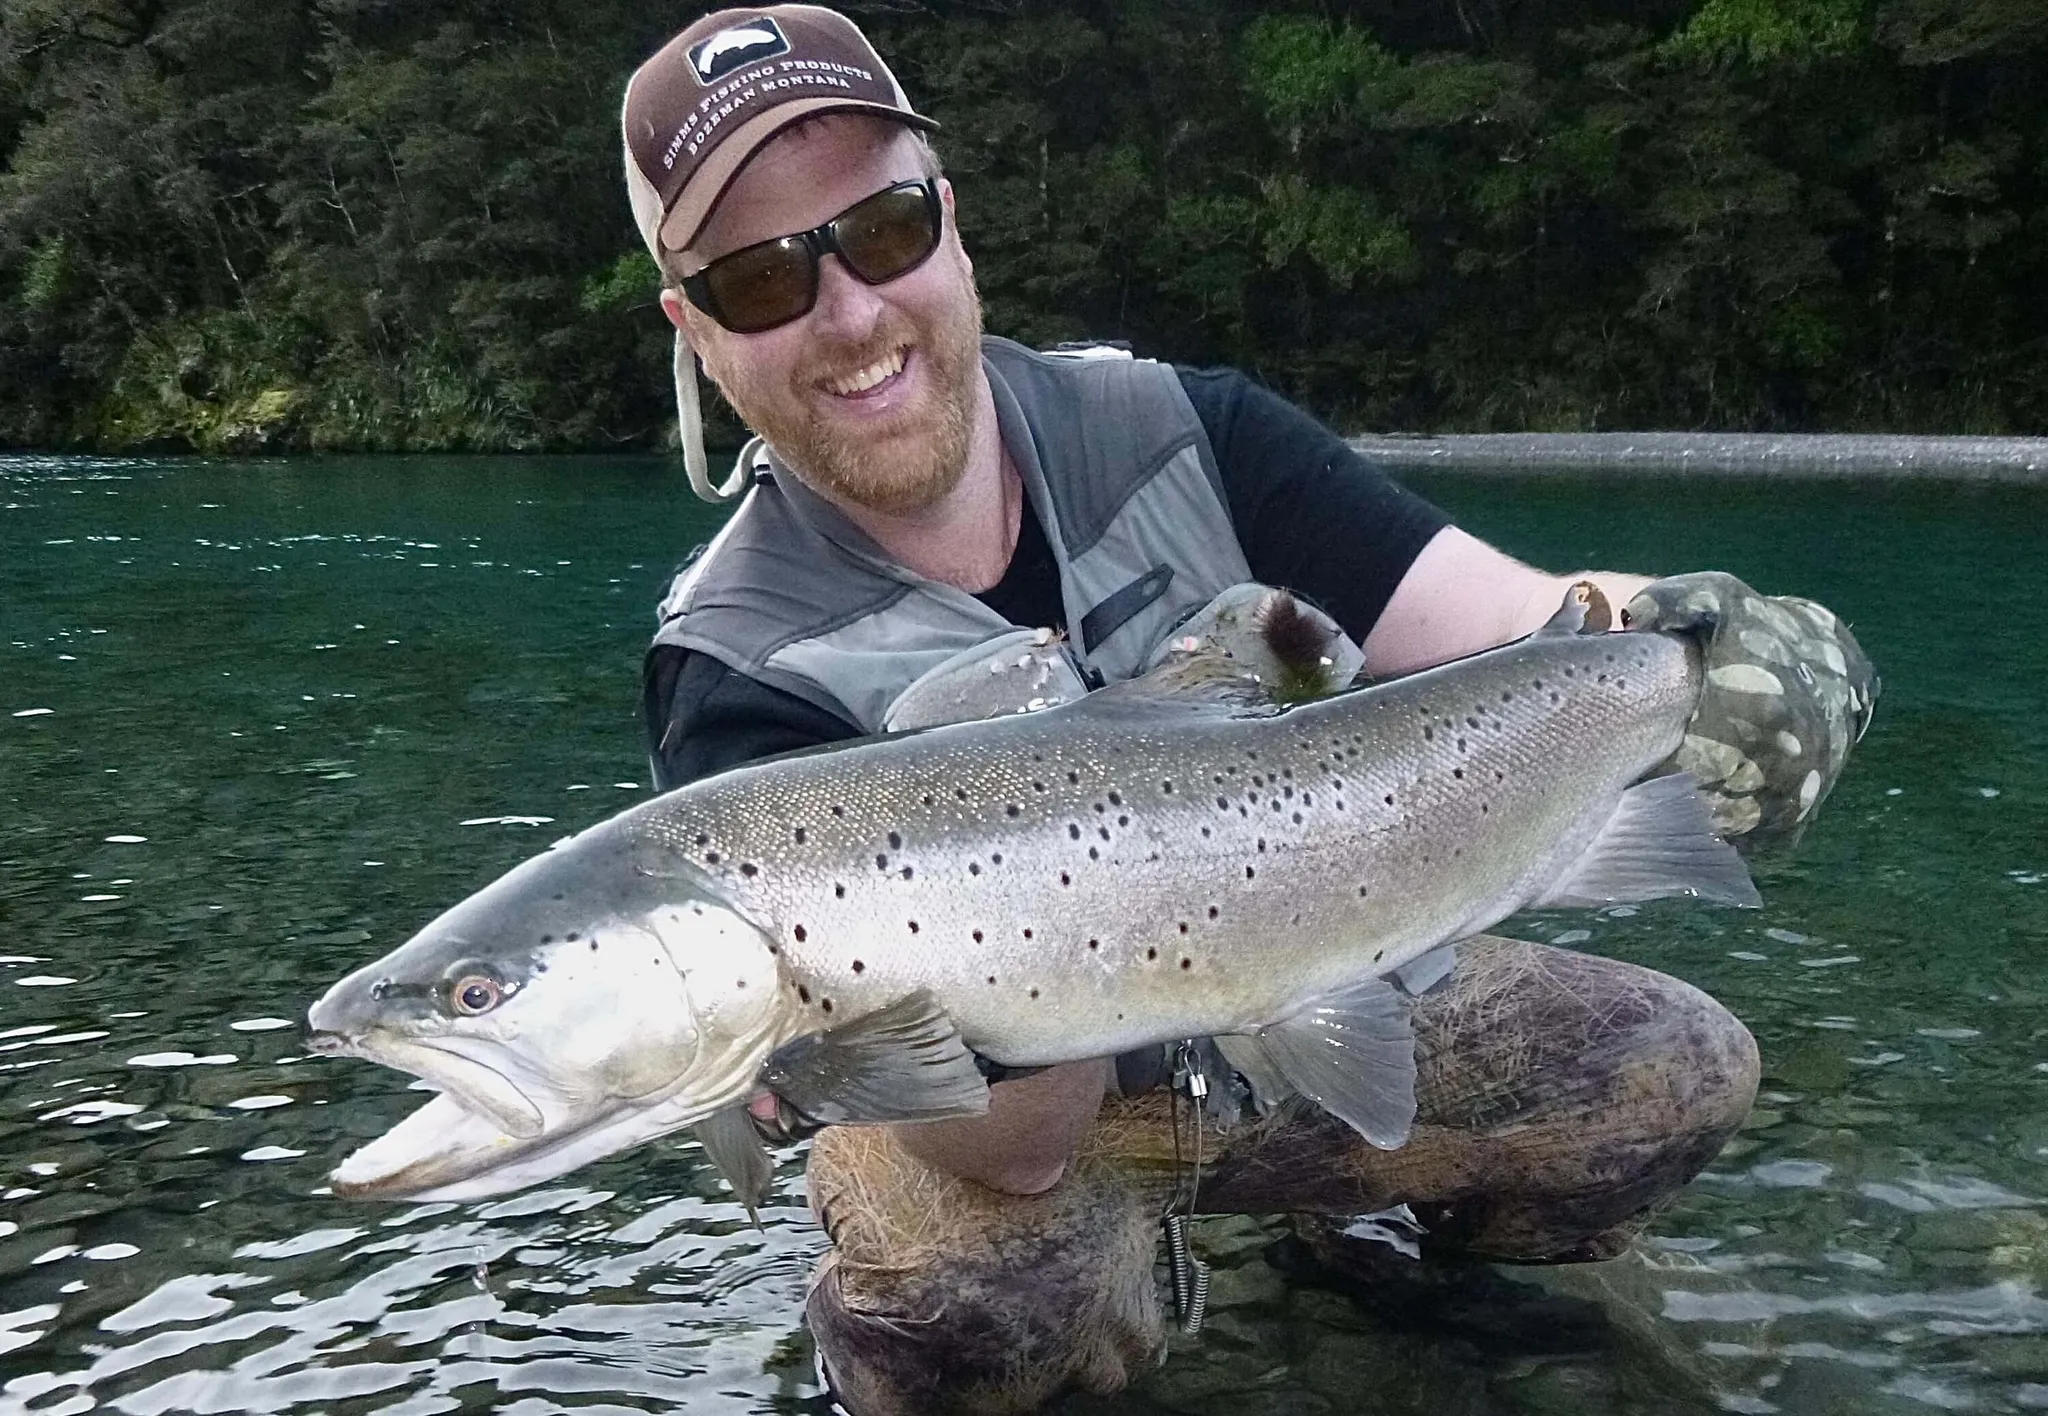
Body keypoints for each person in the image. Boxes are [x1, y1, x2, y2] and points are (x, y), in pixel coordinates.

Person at [620, 8, 1876, 1411]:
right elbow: (1018, 1149)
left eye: (885, 231)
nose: (850, 311)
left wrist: (1710, 644)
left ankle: (1396, 1298)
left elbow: (1528, 621)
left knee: (1669, 1073)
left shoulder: (1182, 427)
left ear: (953, 228)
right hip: (1023, 1122)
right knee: (965, 1320)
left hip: (1322, 985)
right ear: (697, 332)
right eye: (761, 280)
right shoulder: (737, 666)